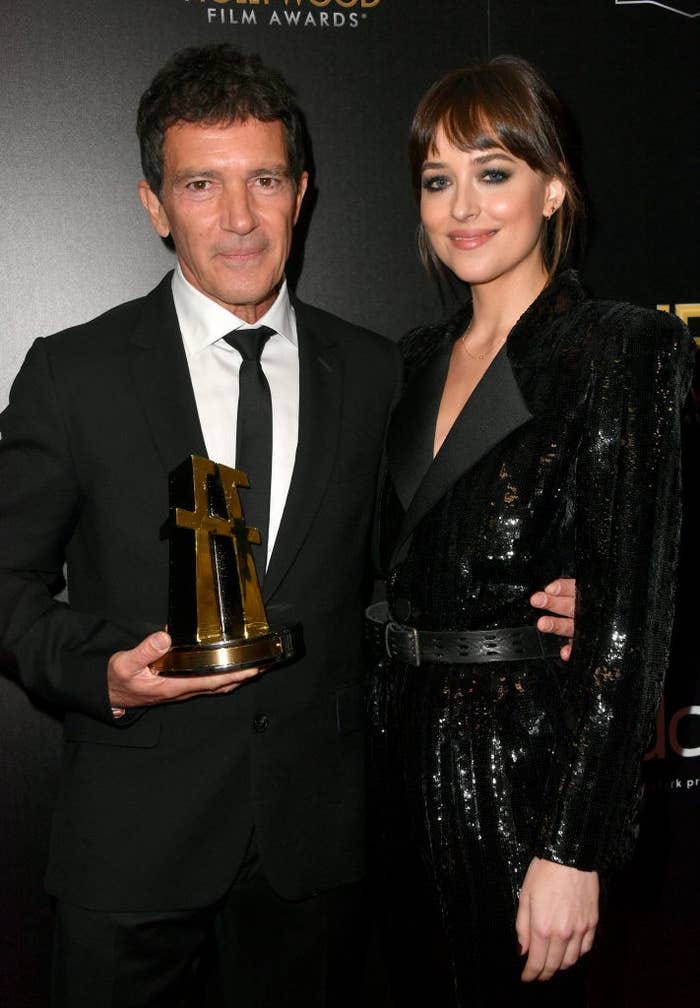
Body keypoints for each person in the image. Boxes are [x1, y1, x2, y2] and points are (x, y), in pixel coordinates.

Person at [0, 44, 574, 1007]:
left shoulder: (381, 374)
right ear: (154, 204)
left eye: (263, 179)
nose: (237, 219)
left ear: (301, 192)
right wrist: (100, 672)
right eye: (201, 184)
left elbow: (420, 565)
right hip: (131, 848)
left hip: (318, 854)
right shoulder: (73, 373)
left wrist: (554, 593)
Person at [367, 56, 694, 1007]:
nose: (462, 205)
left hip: (520, 774)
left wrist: (574, 847)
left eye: (494, 171)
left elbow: (630, 615)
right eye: (438, 179)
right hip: (390, 765)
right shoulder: (410, 362)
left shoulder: (622, 350)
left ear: (554, 188)